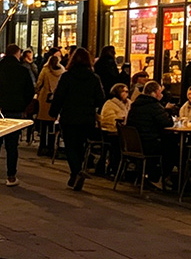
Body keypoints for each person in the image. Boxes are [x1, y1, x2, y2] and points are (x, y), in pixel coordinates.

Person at [49, 47, 105, 191]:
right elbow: (100, 99)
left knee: (70, 146)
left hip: (69, 116)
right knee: (81, 145)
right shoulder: (94, 78)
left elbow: (59, 96)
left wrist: (53, 112)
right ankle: (77, 172)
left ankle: (75, 171)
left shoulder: (67, 77)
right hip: (87, 118)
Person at [0, 44, 35, 187]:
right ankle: (11, 176)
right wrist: (23, 104)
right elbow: (30, 90)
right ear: (18, 54)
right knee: (12, 145)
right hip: (15, 111)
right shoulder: (22, 71)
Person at [126, 80, 176, 189]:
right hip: (149, 144)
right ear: (154, 93)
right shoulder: (154, 106)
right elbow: (167, 123)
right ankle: (157, 177)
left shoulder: (135, 105)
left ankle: (146, 175)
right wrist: (168, 111)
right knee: (173, 149)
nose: (161, 94)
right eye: (159, 92)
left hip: (134, 143)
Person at [34, 48, 64, 156]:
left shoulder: (45, 70)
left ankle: (42, 147)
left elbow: (39, 83)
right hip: (55, 99)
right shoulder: (62, 71)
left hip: (44, 99)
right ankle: (51, 147)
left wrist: (37, 92)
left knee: (43, 124)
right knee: (52, 125)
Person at [99, 83, 131, 177]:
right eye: (123, 91)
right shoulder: (110, 104)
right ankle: (114, 168)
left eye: (127, 91)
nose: (126, 94)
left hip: (125, 132)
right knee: (117, 144)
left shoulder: (129, 103)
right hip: (110, 132)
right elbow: (108, 119)